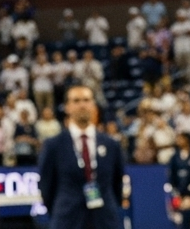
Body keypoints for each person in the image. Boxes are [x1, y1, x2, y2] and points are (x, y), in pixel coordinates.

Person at [38, 85, 125, 229]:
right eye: (76, 101)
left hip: (105, 220)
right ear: (67, 107)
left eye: (86, 100)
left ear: (93, 105)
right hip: (67, 220)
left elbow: (117, 184)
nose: (82, 105)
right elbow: (46, 186)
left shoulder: (111, 145)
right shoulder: (53, 145)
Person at [169, 132, 190, 229]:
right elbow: (172, 174)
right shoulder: (175, 157)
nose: (178, 141)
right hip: (180, 193)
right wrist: (175, 190)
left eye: (181, 138)